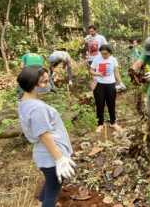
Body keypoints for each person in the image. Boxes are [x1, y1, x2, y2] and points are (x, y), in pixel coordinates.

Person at [17, 67, 76, 207]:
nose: (48, 83)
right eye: (44, 81)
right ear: (33, 85)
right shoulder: (37, 108)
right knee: (53, 189)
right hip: (50, 156)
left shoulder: (24, 102)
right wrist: (60, 159)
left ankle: (41, 202)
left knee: (51, 183)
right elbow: (44, 135)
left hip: (44, 154)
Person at [90, 45, 125, 133]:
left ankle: (113, 122)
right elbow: (91, 71)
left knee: (111, 104)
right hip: (99, 84)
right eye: (102, 54)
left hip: (110, 84)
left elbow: (116, 72)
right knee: (99, 104)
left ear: (110, 53)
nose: (104, 55)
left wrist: (120, 82)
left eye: (105, 54)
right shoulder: (97, 59)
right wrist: (97, 74)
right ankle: (100, 124)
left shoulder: (113, 59)